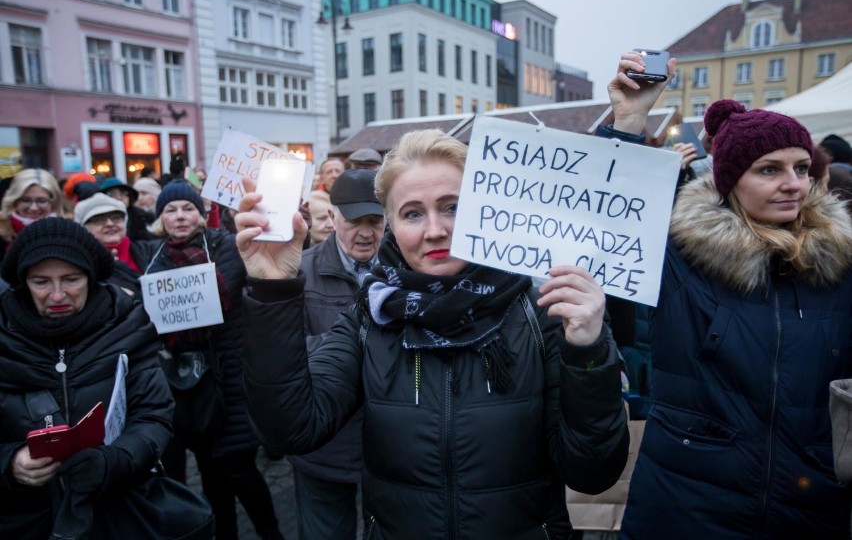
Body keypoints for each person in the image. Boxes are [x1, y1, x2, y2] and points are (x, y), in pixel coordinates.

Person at [236, 129, 629, 539]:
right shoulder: (372, 316)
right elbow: (290, 428)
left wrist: (588, 351)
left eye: (452, 207)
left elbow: (592, 472)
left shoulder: (541, 311)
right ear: (391, 224)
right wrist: (274, 289)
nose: (435, 229)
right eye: (412, 213)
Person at [600, 51, 852, 539]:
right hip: (686, 506)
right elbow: (609, 220)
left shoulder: (840, 264)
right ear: (730, 179)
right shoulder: (679, 254)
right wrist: (629, 121)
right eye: (770, 170)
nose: (793, 185)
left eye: (801, 168)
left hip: (810, 504)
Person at [0, 217, 174, 539]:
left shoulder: (127, 326)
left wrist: (112, 462)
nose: (56, 295)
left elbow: (154, 415)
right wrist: (9, 462)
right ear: (23, 282)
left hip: (118, 513)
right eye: (41, 282)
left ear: (91, 277)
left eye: (71, 279)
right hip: (26, 520)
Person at [139, 181, 282, 540]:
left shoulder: (223, 246)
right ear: (161, 219)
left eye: (187, 208)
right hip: (191, 385)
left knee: (240, 468)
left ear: (201, 215)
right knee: (209, 473)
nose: (180, 216)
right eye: (170, 210)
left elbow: (227, 290)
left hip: (231, 377)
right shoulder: (153, 259)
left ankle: (271, 533)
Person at [287, 169, 384, 540]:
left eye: (374, 222)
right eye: (354, 221)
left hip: (390, 445)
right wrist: (357, 346)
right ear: (333, 218)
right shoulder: (299, 269)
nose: (364, 233)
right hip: (324, 445)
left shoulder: (403, 270)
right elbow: (287, 350)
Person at [74, 193, 146, 297]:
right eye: (98, 219)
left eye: (116, 217)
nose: (110, 224)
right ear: (84, 228)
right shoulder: (82, 264)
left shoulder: (148, 251)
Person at [0, 169, 64, 253]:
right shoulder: (2, 234)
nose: (33, 208)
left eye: (41, 201)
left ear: (54, 203)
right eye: (26, 200)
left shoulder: (67, 233)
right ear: (15, 201)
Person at [99, 177, 154, 242]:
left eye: (123, 193)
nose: (119, 198)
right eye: (112, 194)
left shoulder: (142, 217)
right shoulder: (96, 220)